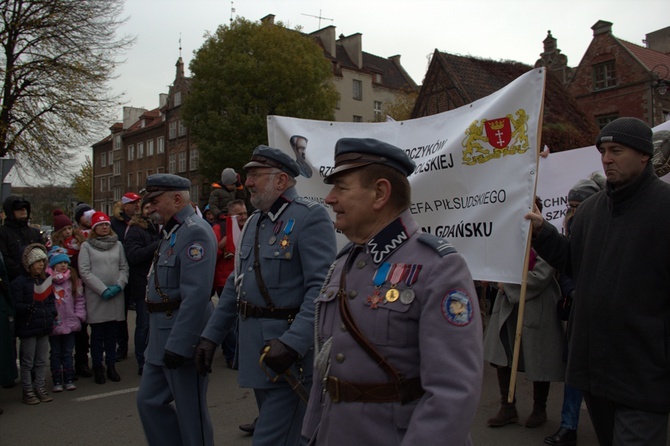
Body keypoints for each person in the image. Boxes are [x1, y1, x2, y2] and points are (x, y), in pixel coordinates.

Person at [300, 138, 483, 445]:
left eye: (341, 188)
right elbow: (327, 367)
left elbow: (453, 392)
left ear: (380, 193)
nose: (330, 199)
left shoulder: (437, 266)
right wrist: (311, 433)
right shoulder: (345, 261)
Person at [525, 117, 670, 446]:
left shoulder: (665, 209)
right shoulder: (590, 211)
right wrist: (542, 234)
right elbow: (575, 264)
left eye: (616, 150)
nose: (606, 158)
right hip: (593, 369)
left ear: (645, 155)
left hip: (644, 373)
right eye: (603, 150)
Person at [195, 145, 336, 445]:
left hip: (287, 355)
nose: (247, 183)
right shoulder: (256, 222)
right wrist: (211, 336)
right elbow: (239, 283)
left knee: (272, 439)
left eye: (255, 175)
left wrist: (293, 344)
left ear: (281, 181)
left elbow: (320, 289)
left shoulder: (310, 218)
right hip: (258, 355)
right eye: (248, 176)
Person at [136, 173, 217, 446]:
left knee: (190, 414)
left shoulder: (195, 231)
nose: (151, 207)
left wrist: (182, 343)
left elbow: (196, 295)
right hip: (160, 336)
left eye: (155, 201)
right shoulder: (171, 231)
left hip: (181, 334)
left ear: (178, 198)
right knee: (148, 401)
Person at [544, 173, 605, 446]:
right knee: (575, 372)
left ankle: (611, 426)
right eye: (570, 206)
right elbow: (568, 264)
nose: (572, 212)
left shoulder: (609, 225)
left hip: (607, 315)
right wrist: (574, 292)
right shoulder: (570, 227)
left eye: (578, 207)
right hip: (580, 313)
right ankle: (568, 426)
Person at [483, 229, 565, 429]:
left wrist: (508, 287)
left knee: (538, 357)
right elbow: (496, 265)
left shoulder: (547, 239)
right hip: (508, 306)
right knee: (503, 355)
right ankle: (507, 406)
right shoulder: (509, 238)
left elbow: (541, 275)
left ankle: (540, 408)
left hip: (536, 305)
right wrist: (494, 277)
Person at [78, 212, 128, 385]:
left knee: (112, 335)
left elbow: (123, 267)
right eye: (100, 225)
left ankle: (111, 365)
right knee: (98, 335)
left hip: (116, 296)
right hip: (97, 297)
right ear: (94, 228)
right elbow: (84, 271)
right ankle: (98, 367)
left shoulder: (118, 245)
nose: (104, 227)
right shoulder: (86, 246)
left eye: (106, 224)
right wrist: (102, 289)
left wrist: (119, 285)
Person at [11, 243, 56, 405]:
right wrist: (26, 308)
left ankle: (40, 386)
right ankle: (27, 390)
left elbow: (51, 300)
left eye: (43, 262)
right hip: (28, 326)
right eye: (38, 262)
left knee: (41, 360)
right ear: (29, 264)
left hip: (44, 325)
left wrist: (52, 312)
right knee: (27, 361)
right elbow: (15, 305)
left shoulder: (44, 281)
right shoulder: (19, 283)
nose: (41, 265)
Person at [122, 197, 161, 376]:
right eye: (147, 207)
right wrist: (156, 246)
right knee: (143, 325)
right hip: (141, 283)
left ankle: (154, 356)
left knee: (156, 324)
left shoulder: (158, 228)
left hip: (158, 283)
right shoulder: (135, 230)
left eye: (153, 207)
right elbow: (133, 256)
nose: (151, 210)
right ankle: (142, 361)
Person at [211, 199, 248, 369]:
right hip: (224, 280)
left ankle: (239, 352)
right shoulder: (219, 229)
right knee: (230, 321)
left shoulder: (248, 228)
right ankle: (231, 355)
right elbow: (210, 254)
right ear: (230, 215)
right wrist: (221, 245)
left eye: (245, 213)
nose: (243, 216)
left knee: (241, 320)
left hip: (243, 279)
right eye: (239, 214)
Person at [47, 246, 86, 392]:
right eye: (59, 262)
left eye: (65, 262)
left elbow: (80, 300)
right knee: (56, 352)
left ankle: (69, 377)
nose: (63, 265)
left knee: (68, 351)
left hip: (70, 321)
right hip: (55, 323)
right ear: (52, 264)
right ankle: (57, 379)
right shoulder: (48, 282)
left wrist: (79, 316)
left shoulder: (73, 280)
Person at [111, 191, 141, 361]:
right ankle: (121, 346)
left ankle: (140, 347)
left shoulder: (139, 223)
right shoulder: (114, 223)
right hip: (120, 271)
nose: (137, 206)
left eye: (138, 203)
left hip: (136, 272)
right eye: (133, 203)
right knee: (120, 313)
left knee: (141, 312)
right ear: (125, 206)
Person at [72, 202, 95, 378]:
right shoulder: (73, 237)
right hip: (77, 285)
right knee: (80, 328)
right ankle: (80, 362)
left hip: (95, 285)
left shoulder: (98, 233)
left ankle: (94, 360)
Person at [0, 196, 44, 281]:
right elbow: (4, 258)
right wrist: (22, 274)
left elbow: (43, 255)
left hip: (36, 280)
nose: (23, 210)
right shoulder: (3, 233)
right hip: (13, 281)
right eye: (18, 208)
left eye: (25, 207)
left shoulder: (35, 232)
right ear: (10, 211)